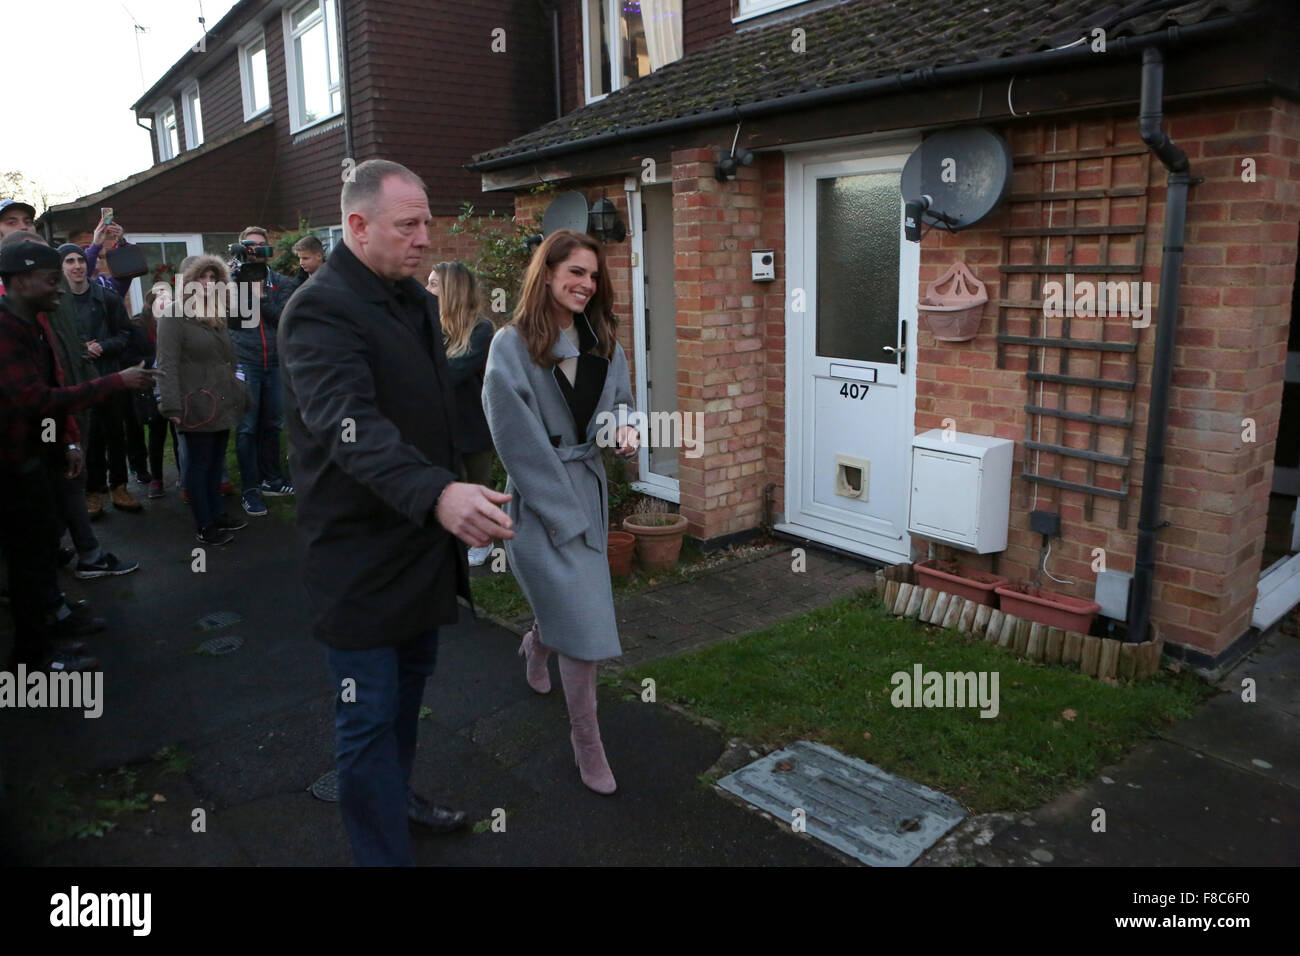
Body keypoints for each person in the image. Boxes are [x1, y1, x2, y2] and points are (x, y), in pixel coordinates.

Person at [280, 158, 514, 866]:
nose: (425, 239)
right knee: (367, 719)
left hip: (418, 549)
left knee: (407, 701)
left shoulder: (411, 299)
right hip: (357, 560)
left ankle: (398, 797)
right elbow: (352, 427)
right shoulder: (318, 310)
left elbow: (426, 404)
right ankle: (381, 852)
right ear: (358, 226)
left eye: (428, 223)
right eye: (408, 225)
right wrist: (440, 492)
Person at [482, 228, 639, 795]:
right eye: (575, 271)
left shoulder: (605, 345)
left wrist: (624, 429)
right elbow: (515, 440)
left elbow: (620, 407)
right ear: (546, 273)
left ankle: (536, 641)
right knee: (584, 628)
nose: (585, 283)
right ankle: (587, 742)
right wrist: (563, 516)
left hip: (589, 493)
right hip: (541, 501)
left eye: (593, 275)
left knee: (574, 615)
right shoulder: (511, 345)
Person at [0, 239, 159, 670]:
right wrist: (117, 382)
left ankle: (49, 633)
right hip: (12, 471)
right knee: (28, 564)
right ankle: (31, 664)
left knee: (41, 558)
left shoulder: (36, 321)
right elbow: (34, 400)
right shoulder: (5, 331)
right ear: (19, 281)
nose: (60, 287)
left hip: (39, 459)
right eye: (52, 278)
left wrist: (68, 440)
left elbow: (55, 383)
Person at [156, 255, 249, 545]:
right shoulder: (174, 315)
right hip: (194, 403)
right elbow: (166, 364)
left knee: (215, 461)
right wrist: (171, 404)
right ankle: (204, 524)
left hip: (220, 400)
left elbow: (226, 360)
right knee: (199, 463)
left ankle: (217, 513)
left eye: (213, 278)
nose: (208, 284)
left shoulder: (216, 314)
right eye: (202, 278)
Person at [57, 243, 142, 516]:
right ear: (61, 268)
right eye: (69, 261)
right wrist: (81, 349)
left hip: (110, 375)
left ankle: (119, 486)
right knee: (89, 437)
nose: (77, 266)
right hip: (79, 382)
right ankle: (93, 491)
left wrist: (103, 346)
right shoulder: (56, 304)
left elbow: (126, 334)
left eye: (80, 260)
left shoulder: (107, 298)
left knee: (116, 433)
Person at [428, 261, 496, 567]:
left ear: (451, 291)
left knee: (477, 485)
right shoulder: (429, 325)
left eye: (433, 284)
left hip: (473, 424)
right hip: (439, 424)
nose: (426, 290)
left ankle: (482, 541)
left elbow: (452, 372)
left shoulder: (481, 330)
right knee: (445, 485)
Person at [229, 226, 296, 517]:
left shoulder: (282, 283)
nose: (254, 251)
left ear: (269, 250)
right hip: (247, 361)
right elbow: (232, 321)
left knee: (273, 424)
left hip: (276, 363)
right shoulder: (232, 283)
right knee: (246, 427)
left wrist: (261, 297)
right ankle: (251, 489)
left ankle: (273, 478)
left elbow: (284, 320)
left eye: (260, 246)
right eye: (249, 246)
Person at [130, 283, 182, 499]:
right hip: (150, 385)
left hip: (176, 383)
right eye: (159, 298)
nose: (164, 302)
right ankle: (157, 479)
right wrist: (156, 363)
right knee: (156, 432)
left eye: (168, 298)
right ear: (150, 302)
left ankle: (184, 475)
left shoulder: (179, 322)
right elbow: (131, 356)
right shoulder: (138, 325)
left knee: (178, 432)